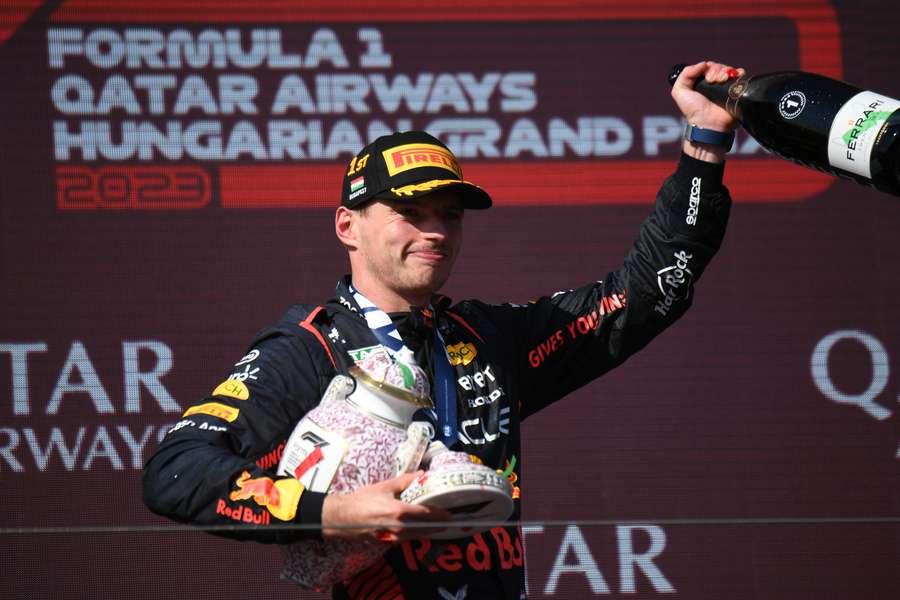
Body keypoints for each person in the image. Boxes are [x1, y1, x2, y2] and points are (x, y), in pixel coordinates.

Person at [143, 60, 741, 599]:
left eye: (449, 215)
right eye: (410, 213)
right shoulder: (310, 348)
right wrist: (335, 512)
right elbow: (176, 472)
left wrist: (705, 144)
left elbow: (648, 292)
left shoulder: (488, 337)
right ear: (348, 226)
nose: (434, 232)